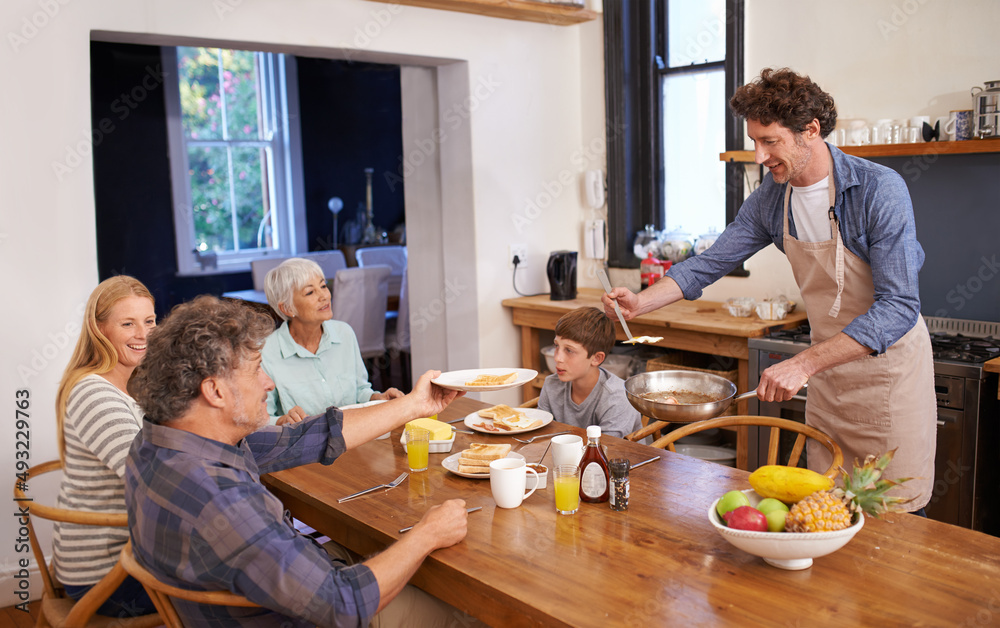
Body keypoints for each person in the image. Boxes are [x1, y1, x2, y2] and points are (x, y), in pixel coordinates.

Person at [603, 68, 935, 512]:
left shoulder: (878, 189)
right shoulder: (772, 198)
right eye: (754, 141)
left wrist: (803, 364)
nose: (759, 156)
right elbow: (711, 262)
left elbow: (897, 308)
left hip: (888, 377)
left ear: (810, 131)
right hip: (826, 378)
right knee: (823, 512)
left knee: (892, 523)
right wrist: (642, 300)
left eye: (769, 141)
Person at [124, 295, 476, 628]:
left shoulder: (162, 441)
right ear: (214, 391)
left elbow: (308, 437)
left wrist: (414, 405)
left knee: (385, 548)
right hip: (308, 613)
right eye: (257, 370)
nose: (269, 383)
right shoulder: (221, 501)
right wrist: (426, 534)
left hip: (283, 583)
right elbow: (344, 604)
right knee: (467, 608)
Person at [52, 276, 157, 617]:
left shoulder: (133, 385)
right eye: (128, 324)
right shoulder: (94, 392)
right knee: (250, 580)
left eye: (150, 321)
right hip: (106, 577)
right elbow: (155, 477)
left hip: (130, 556)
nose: (143, 334)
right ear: (99, 330)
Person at [261, 257, 403, 426]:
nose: (324, 296)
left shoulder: (344, 333)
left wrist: (378, 398)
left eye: (323, 286)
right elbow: (260, 421)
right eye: (310, 292)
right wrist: (282, 421)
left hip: (352, 436)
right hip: (304, 448)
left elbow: (360, 391)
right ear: (287, 308)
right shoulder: (266, 352)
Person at [537, 307, 642, 439]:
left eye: (569, 350)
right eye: (557, 346)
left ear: (596, 358)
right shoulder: (551, 384)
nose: (557, 358)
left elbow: (608, 450)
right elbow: (541, 435)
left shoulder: (618, 397)